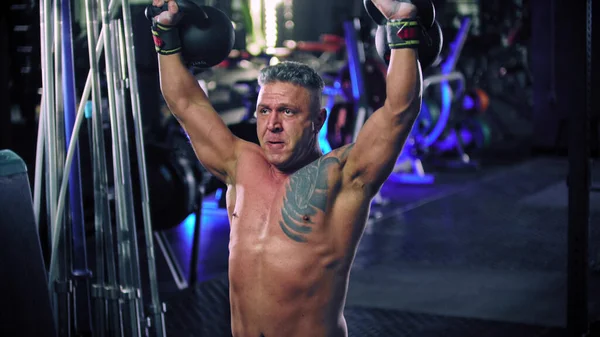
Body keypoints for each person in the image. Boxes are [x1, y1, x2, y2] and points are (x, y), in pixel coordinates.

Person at [151, 0, 423, 336]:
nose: (273, 125)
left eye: (288, 112)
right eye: (264, 111)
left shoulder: (342, 178)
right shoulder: (239, 164)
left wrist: (402, 25)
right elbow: (185, 102)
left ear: (317, 121)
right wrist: (164, 31)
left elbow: (399, 111)